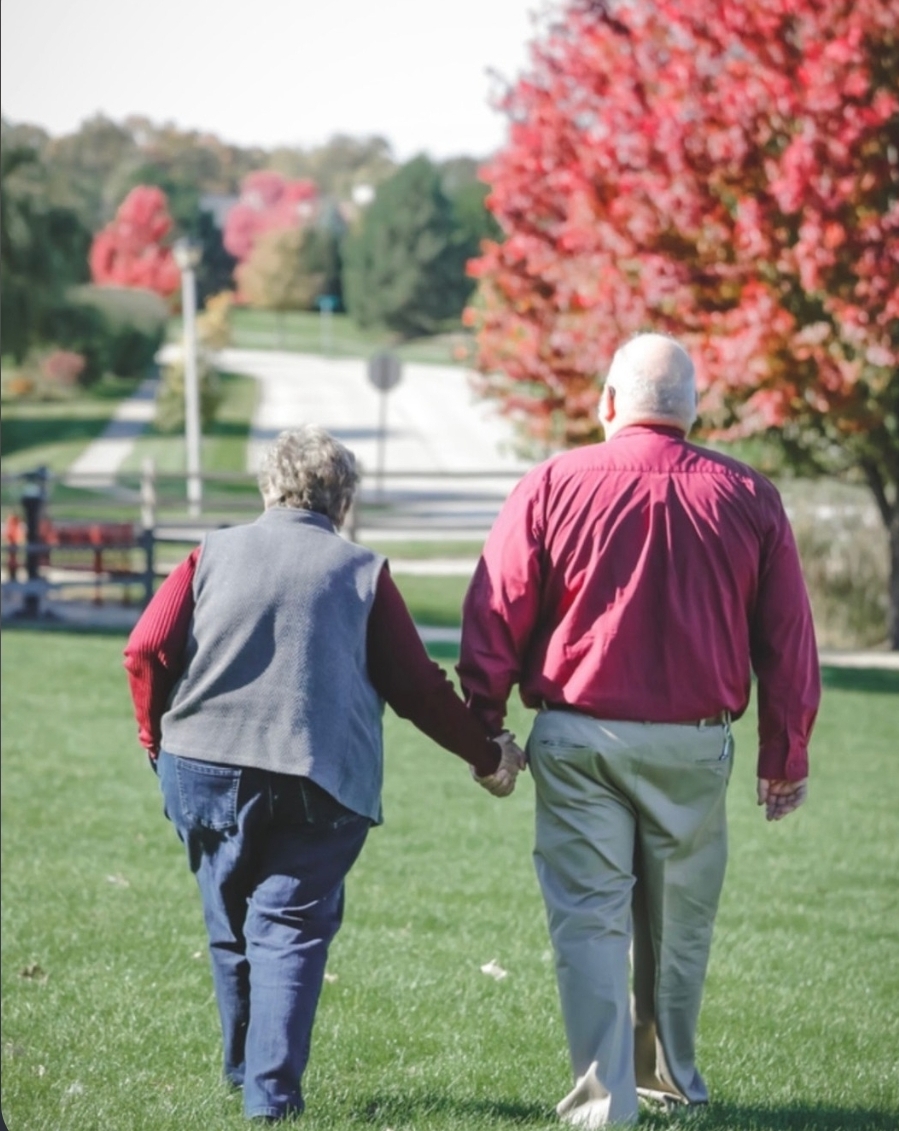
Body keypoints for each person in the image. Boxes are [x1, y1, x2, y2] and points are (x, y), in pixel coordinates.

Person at [457, 333, 820, 1128]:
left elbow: (495, 607)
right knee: (679, 921)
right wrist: (783, 753)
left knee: (589, 922)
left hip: (578, 736)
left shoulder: (552, 483)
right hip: (692, 742)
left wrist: (485, 726)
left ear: (607, 402)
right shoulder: (748, 495)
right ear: (692, 409)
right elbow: (787, 636)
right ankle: (670, 1079)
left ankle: (602, 1103)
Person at [124, 424, 524, 1123]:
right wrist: (488, 754)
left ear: (267, 487)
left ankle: (243, 1072)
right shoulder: (361, 573)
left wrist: (154, 737)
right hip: (317, 774)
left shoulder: (210, 552)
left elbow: (146, 646)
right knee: (287, 926)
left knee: (229, 917)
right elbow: (418, 689)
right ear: (343, 500)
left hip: (200, 766)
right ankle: (269, 1098)